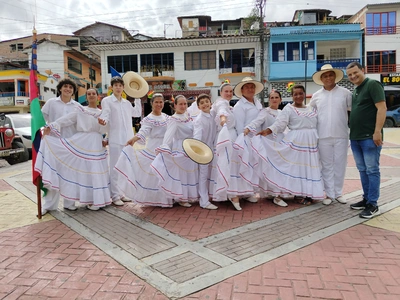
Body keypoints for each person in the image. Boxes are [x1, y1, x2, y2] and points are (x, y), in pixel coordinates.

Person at [35, 88, 111, 214]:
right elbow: (66, 119)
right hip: (82, 140)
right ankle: (68, 201)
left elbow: (109, 127)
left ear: (98, 97)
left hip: (97, 143)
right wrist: (50, 126)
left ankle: (95, 200)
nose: (91, 96)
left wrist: (107, 138)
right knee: (79, 170)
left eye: (94, 94)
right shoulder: (81, 110)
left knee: (95, 170)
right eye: (89, 94)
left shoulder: (103, 112)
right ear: (86, 97)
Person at [255, 84, 325, 203]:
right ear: (292, 96)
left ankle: (309, 193)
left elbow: (320, 124)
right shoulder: (288, 109)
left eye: (300, 93)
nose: (298, 96)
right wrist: (267, 131)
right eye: (295, 94)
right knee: (297, 168)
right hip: (297, 141)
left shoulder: (312, 109)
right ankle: (298, 192)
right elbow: (280, 124)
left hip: (311, 142)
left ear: (304, 94)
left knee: (310, 167)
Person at [113, 93, 170, 207]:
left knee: (165, 172)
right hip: (154, 147)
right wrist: (134, 139)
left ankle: (166, 197)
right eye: (156, 102)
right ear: (151, 103)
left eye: (161, 102)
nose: (159, 104)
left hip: (165, 146)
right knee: (154, 173)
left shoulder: (166, 117)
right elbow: (143, 131)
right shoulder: (149, 119)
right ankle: (155, 199)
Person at [346, 62, 387, 219]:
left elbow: (382, 108)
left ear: (362, 70)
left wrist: (377, 132)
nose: (353, 76)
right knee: (363, 170)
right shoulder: (356, 89)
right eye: (350, 74)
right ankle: (366, 199)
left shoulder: (372, 84)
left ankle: (373, 204)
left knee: (372, 170)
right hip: (356, 138)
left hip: (369, 138)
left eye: (355, 72)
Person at [310, 64, 352, 206]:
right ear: (321, 79)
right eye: (325, 76)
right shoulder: (316, 96)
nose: (328, 78)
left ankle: (338, 193)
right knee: (326, 165)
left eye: (330, 75)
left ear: (335, 76)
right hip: (322, 136)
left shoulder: (346, 93)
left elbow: (353, 111)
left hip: (341, 134)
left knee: (340, 164)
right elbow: (310, 115)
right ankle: (328, 194)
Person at [98, 76, 142, 206]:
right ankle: (115, 195)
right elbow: (105, 114)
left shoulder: (127, 103)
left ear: (123, 88)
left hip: (128, 139)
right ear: (112, 87)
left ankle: (122, 193)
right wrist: (103, 120)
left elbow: (137, 112)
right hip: (116, 139)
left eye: (120, 85)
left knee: (126, 166)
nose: (118, 87)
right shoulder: (107, 101)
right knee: (115, 167)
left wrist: (138, 96)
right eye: (115, 85)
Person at [40, 78, 82, 213]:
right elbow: (42, 119)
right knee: (52, 172)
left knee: (70, 173)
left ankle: (69, 203)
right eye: (65, 86)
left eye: (71, 87)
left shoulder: (77, 106)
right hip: (53, 143)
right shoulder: (51, 103)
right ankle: (49, 205)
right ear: (60, 89)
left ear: (73, 91)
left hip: (70, 143)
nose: (68, 89)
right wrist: (43, 129)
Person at [244, 90, 289, 207]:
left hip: (280, 143)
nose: (274, 99)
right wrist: (249, 128)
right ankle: (274, 194)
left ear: (280, 99)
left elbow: (286, 127)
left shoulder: (283, 112)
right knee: (270, 168)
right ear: (269, 100)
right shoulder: (265, 112)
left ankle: (277, 193)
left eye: (276, 97)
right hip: (268, 143)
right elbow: (257, 121)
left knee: (280, 169)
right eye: (272, 97)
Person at [151, 95, 198, 207]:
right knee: (181, 174)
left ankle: (188, 196)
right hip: (180, 149)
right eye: (180, 104)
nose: (183, 106)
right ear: (175, 105)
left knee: (190, 173)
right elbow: (168, 136)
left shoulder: (188, 116)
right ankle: (181, 198)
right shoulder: (173, 119)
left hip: (190, 149)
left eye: (185, 104)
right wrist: (164, 148)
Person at [193, 94, 218, 210]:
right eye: (201, 103)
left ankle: (210, 196)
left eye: (206, 101)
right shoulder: (199, 120)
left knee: (210, 175)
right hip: (203, 152)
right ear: (198, 106)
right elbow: (197, 138)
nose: (205, 104)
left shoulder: (213, 114)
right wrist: (199, 152)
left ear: (210, 103)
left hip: (213, 149)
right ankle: (204, 201)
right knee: (203, 176)